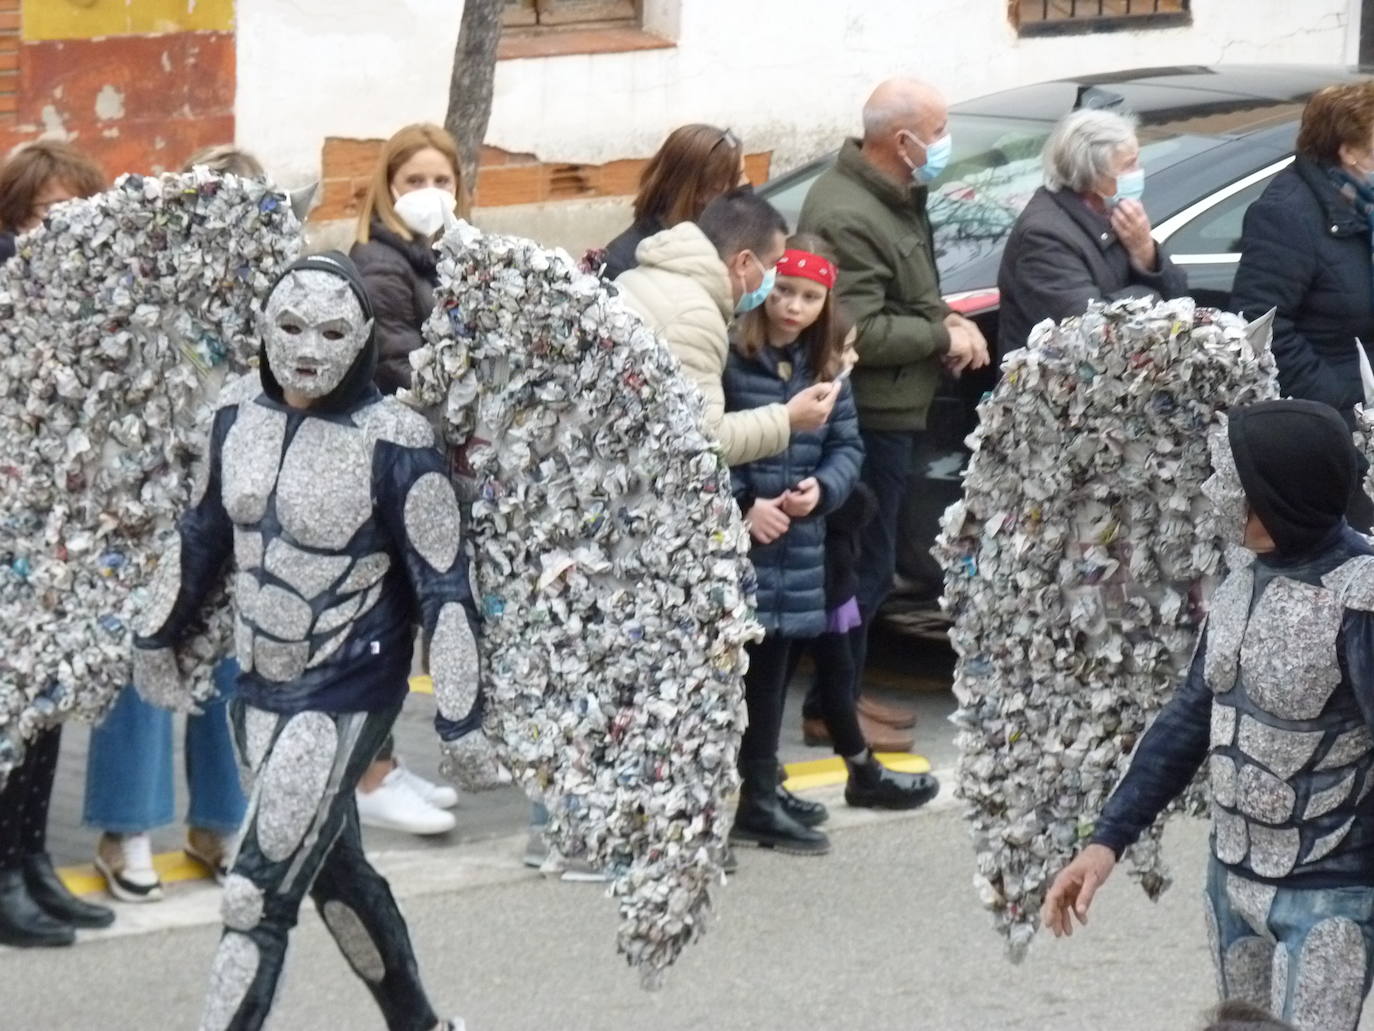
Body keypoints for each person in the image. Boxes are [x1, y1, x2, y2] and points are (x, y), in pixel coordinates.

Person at [132, 252, 477, 1031]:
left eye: (330, 331)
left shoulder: (396, 439)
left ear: (359, 337)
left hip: (349, 689)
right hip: (257, 685)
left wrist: (460, 714)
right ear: (262, 328)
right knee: (335, 873)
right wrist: (156, 635)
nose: (308, 348)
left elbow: (444, 584)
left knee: (256, 890)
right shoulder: (234, 415)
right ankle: (421, 1024)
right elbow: (202, 539)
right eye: (290, 326)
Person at [1042, 400, 1374, 1031]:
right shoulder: (1242, 578)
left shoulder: (1361, 600)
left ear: (1280, 494)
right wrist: (1106, 841)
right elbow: (1190, 720)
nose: (1217, 493)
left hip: (1330, 893)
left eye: (1237, 483)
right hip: (1230, 878)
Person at [85, 145, 265, 903]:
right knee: (146, 660)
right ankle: (127, 826)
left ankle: (220, 821)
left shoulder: (279, 304)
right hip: (150, 509)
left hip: (236, 509)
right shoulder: (146, 291)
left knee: (229, 661)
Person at [798, 78, 990, 726]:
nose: (943, 143)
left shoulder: (897, 194)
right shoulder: (848, 212)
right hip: (872, 413)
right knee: (864, 567)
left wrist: (948, 321)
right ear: (901, 140)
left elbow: (911, 288)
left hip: (897, 406)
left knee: (871, 567)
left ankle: (842, 695)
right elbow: (856, 329)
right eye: (936, 131)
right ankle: (833, 705)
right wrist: (941, 333)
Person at [0, 140, 116, 947]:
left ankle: (32, 855)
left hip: (60, 528)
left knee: (47, 702)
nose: (65, 227)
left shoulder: (84, 292)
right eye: (50, 213)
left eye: (80, 211)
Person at [351, 123, 468, 836]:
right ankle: (368, 775)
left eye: (443, 181)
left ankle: (383, 765)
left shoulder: (444, 255)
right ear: (389, 189)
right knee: (385, 621)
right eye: (415, 181)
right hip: (392, 468)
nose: (430, 194)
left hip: (429, 465)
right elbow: (401, 366)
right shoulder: (381, 263)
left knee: (406, 619)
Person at [1232, 81, 1374, 525]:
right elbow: (1263, 325)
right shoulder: (1288, 213)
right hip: (1338, 433)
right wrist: (1342, 407)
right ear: (1350, 151)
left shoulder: (1363, 207)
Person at [616, 188, 837, 466]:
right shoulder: (694, 317)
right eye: (771, 266)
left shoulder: (653, 274)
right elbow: (702, 440)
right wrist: (788, 418)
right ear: (744, 262)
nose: (771, 278)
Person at [996, 108, 1187, 356]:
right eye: (1129, 165)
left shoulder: (1115, 212)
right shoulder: (1043, 235)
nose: (1139, 170)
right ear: (1093, 174)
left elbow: (1180, 297)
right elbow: (1091, 329)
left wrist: (1145, 252)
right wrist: (1153, 294)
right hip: (1059, 386)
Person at [601, 123, 747, 281]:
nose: (746, 183)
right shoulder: (621, 264)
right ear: (701, 192)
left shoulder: (727, 240)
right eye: (739, 177)